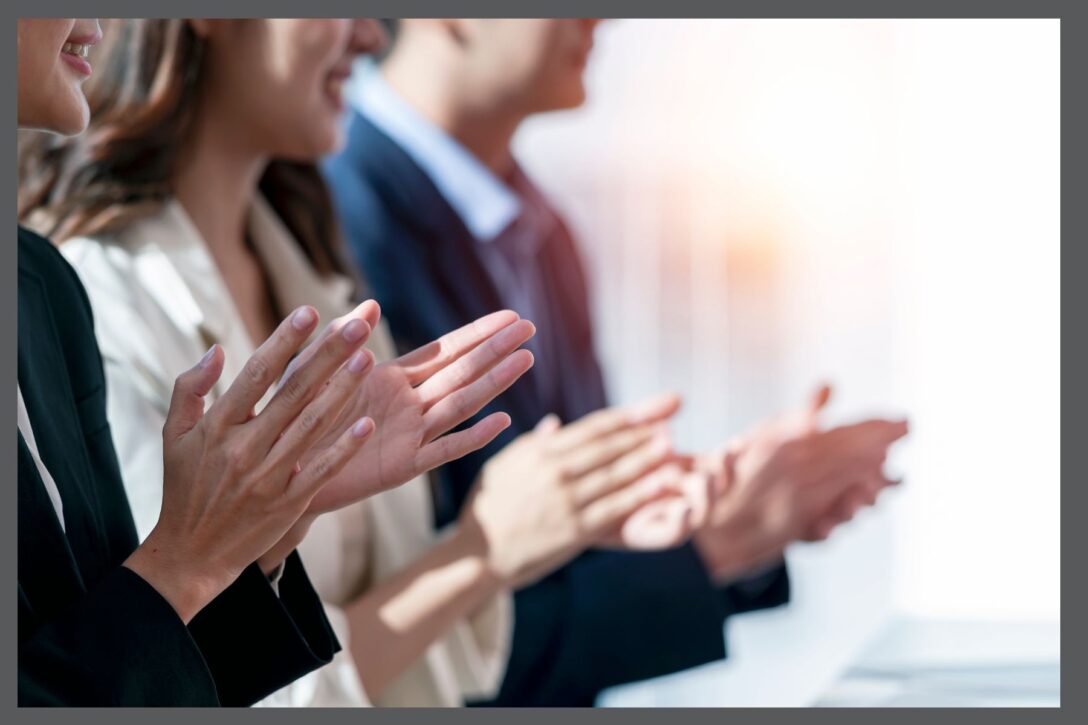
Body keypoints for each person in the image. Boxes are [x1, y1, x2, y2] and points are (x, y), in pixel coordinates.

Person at [20, 19, 707, 707]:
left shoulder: (322, 276)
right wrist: (481, 550)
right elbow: (156, 670)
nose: (372, 37)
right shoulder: (90, 293)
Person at [324, 19, 909, 705]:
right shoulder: (335, 230)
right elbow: (428, 638)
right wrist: (715, 546)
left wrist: (719, 503)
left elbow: (569, 536)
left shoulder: (545, 234)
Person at [17, 17, 369, 706]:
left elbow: (129, 658)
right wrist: (189, 559)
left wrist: (243, 541)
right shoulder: (93, 277)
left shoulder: (45, 290)